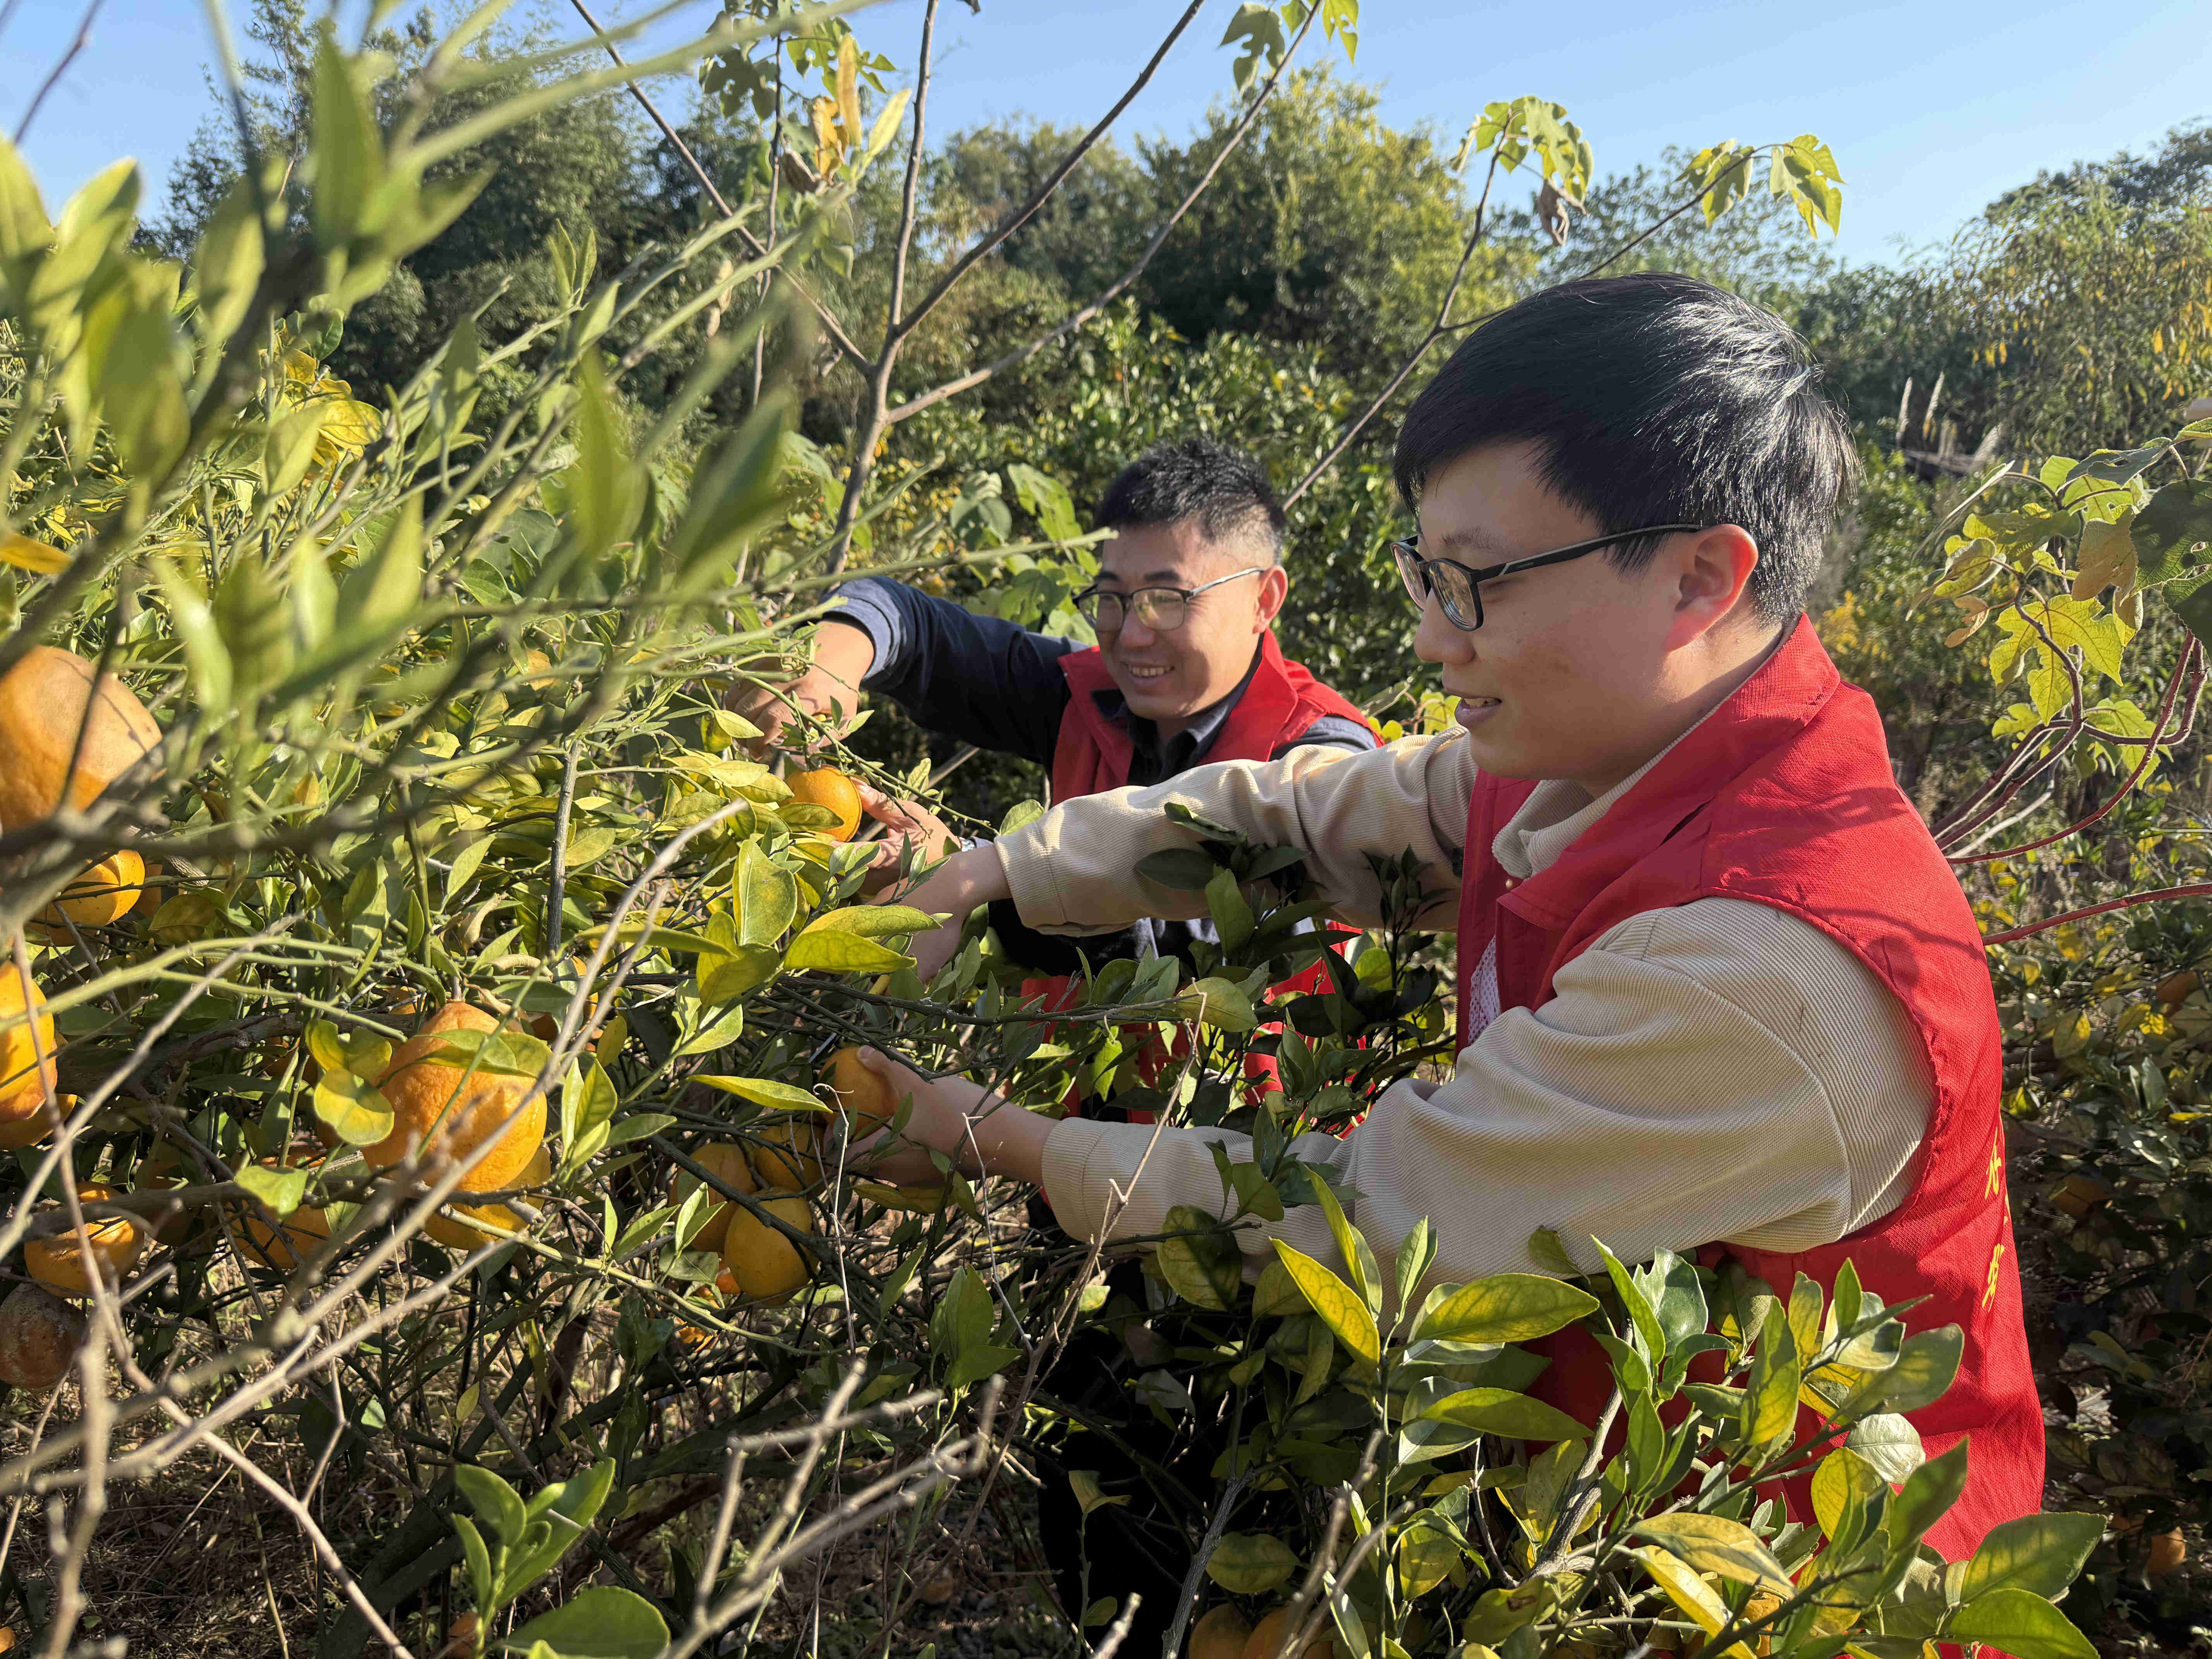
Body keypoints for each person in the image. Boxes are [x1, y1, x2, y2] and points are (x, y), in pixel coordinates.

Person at [852, 275, 2044, 1587]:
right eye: (1426, 574)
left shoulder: (1775, 971)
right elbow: (1304, 821)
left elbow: (1372, 1223)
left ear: (1699, 576)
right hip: (1565, 1537)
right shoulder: (1599, 752)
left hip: (1783, 1592)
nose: (1428, 637)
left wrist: (989, 1138)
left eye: (1474, 583)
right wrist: (992, 876)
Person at [737, 435, 1375, 988]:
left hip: (1247, 1124)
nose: (1131, 635)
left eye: (1167, 599)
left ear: (1264, 599)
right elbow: (914, 623)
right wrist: (831, 660)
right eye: (1112, 598)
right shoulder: (1086, 693)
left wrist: (967, 874)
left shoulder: (1326, 755)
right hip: (1064, 1111)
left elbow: (1209, 940)